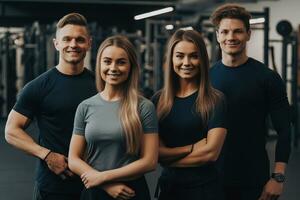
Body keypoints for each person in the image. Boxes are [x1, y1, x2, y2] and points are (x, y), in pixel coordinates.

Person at [4, 13, 97, 200]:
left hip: (96, 183)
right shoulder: (39, 86)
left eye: (80, 40)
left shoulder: (100, 85)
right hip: (53, 186)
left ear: (89, 43)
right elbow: (11, 131)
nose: (73, 44)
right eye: (67, 39)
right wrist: (47, 155)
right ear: (56, 44)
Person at [209, 4, 291, 200]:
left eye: (237, 31)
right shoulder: (205, 77)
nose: (231, 37)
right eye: (225, 31)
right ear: (218, 35)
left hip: (252, 179)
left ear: (248, 34)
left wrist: (278, 178)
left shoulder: (268, 78)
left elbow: (285, 130)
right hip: (209, 178)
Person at [68, 35, 159, 200]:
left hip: (130, 192)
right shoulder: (85, 107)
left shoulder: (144, 107)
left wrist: (103, 177)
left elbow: (150, 161)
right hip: (94, 190)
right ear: (99, 64)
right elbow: (73, 159)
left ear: (131, 66)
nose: (113, 68)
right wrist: (105, 183)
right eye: (107, 61)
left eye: (121, 62)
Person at [152, 29, 227, 200]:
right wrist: (192, 148)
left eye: (194, 56)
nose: (186, 62)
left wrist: (169, 161)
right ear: (171, 59)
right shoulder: (158, 100)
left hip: (204, 191)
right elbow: (155, 152)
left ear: (203, 60)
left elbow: (210, 153)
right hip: (169, 190)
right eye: (179, 56)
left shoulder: (215, 99)